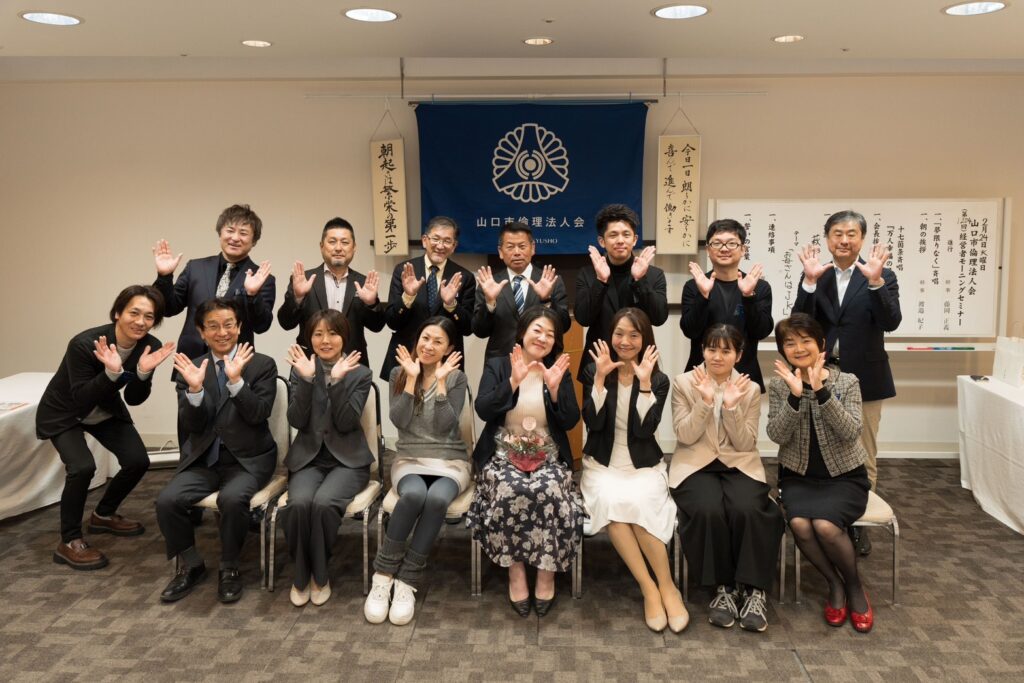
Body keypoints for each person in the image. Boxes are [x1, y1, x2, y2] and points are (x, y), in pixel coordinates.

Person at [36, 285, 175, 570]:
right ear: (117, 314)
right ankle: (70, 541)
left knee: (138, 460)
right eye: (134, 313)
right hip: (64, 413)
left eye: (149, 317)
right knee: (82, 467)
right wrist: (112, 373)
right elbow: (81, 397)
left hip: (104, 410)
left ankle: (103, 515)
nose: (141, 322)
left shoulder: (149, 346)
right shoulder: (84, 344)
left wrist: (143, 373)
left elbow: (134, 399)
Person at [156, 298, 278, 604]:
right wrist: (195, 390)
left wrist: (236, 382)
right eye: (213, 326)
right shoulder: (192, 367)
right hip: (204, 460)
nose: (222, 332)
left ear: (239, 327)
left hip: (247, 460)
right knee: (167, 500)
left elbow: (259, 414)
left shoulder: (262, 364)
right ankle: (191, 564)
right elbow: (192, 425)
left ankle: (229, 566)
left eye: (228, 325)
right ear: (201, 332)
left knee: (232, 499)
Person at [793, 209, 901, 555]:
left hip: (866, 377)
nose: (844, 240)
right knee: (819, 447)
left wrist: (876, 283)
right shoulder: (818, 275)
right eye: (837, 233)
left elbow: (891, 321)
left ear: (862, 239)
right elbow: (798, 323)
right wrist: (809, 284)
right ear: (827, 239)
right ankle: (822, 512)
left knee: (862, 450)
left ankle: (858, 522)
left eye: (851, 234)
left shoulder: (882, 276)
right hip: (820, 375)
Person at [468, 306, 582, 617]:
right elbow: (483, 409)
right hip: (502, 453)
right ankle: (516, 571)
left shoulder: (557, 369)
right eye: (537, 330)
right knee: (510, 490)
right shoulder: (498, 365)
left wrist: (556, 391)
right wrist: (512, 382)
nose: (543, 338)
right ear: (522, 332)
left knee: (550, 490)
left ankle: (546, 572)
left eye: (550, 335)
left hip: (547, 454)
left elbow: (570, 420)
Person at [670, 323, 785, 633]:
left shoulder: (750, 388)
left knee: (749, 509)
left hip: (739, 463)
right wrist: (705, 402)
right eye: (711, 349)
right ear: (702, 350)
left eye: (726, 351)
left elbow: (745, 443)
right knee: (708, 509)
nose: (717, 357)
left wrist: (732, 407)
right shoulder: (684, 382)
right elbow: (685, 435)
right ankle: (723, 588)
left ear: (739, 355)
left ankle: (753, 589)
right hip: (696, 463)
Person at [579, 308, 687, 633]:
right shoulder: (594, 369)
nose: (625, 341)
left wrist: (644, 384)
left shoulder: (659, 379)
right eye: (619, 334)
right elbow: (593, 423)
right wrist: (599, 379)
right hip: (602, 465)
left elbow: (644, 431)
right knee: (613, 505)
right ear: (610, 336)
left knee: (640, 504)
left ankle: (668, 587)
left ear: (645, 340)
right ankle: (649, 588)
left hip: (642, 465)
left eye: (633, 335)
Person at [766, 313, 873, 633]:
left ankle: (853, 586)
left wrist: (820, 391)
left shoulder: (847, 382)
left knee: (825, 526)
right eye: (790, 343)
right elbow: (777, 434)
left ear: (821, 344)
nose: (798, 348)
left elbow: (850, 432)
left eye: (806, 340)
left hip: (845, 478)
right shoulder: (779, 385)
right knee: (800, 523)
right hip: (798, 477)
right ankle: (834, 583)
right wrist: (795, 396)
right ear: (783, 350)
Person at [365, 317, 469, 626]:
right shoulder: (398, 373)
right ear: (417, 340)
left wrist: (440, 383)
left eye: (438, 341)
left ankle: (407, 580)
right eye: (425, 338)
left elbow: (444, 426)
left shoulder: (456, 378)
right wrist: (410, 381)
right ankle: (383, 576)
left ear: (449, 348)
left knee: (436, 499)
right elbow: (399, 421)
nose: (429, 346)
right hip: (410, 457)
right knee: (413, 495)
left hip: (450, 461)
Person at [281, 310, 373, 608]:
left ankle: (318, 576)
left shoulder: (360, 373)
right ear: (309, 338)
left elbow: (346, 423)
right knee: (298, 504)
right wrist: (307, 380)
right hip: (309, 458)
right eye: (318, 334)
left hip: (347, 460)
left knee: (323, 504)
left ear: (344, 336)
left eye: (332, 333)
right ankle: (301, 574)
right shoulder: (301, 370)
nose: (325, 340)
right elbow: (296, 420)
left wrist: (336, 382)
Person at [152, 203, 276, 362]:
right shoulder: (195, 267)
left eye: (243, 233)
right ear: (220, 233)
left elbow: (262, 326)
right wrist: (164, 277)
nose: (235, 238)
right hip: (191, 359)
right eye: (230, 230)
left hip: (235, 362)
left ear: (254, 241)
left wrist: (252, 295)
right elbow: (168, 308)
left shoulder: (262, 277)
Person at [276, 217, 385, 367]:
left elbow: (377, 326)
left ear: (354, 247)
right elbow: (286, 323)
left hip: (352, 365)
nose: (338, 248)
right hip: (310, 364)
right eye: (332, 242)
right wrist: (298, 297)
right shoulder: (304, 280)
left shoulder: (363, 283)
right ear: (321, 246)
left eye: (345, 242)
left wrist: (371, 303)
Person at [575, 204, 667, 380]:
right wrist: (600, 281)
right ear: (602, 241)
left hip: (640, 362)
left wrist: (640, 281)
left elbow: (659, 318)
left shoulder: (654, 275)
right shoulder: (588, 274)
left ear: (635, 239)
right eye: (613, 235)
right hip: (598, 363)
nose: (620, 240)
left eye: (626, 234)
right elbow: (583, 318)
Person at [380, 216, 476, 381]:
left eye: (447, 241)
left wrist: (451, 304)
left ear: (454, 246)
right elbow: (392, 321)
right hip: (406, 358)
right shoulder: (404, 271)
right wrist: (408, 296)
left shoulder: (463, 277)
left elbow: (468, 328)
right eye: (436, 239)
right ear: (425, 241)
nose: (440, 245)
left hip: (445, 363)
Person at [681, 219, 773, 391]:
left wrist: (748, 296)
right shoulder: (693, 286)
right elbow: (690, 331)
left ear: (743, 249)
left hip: (744, 378)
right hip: (701, 378)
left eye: (731, 243)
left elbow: (761, 331)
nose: (724, 249)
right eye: (717, 243)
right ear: (708, 249)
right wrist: (703, 295)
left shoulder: (759, 287)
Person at [472, 221, 570, 359]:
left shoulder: (552, 281)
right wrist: (489, 303)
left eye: (522, 246)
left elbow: (564, 326)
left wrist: (547, 300)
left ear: (532, 248)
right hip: (500, 362)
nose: (517, 252)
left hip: (542, 360)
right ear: (500, 251)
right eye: (510, 247)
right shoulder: (489, 283)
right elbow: (480, 332)